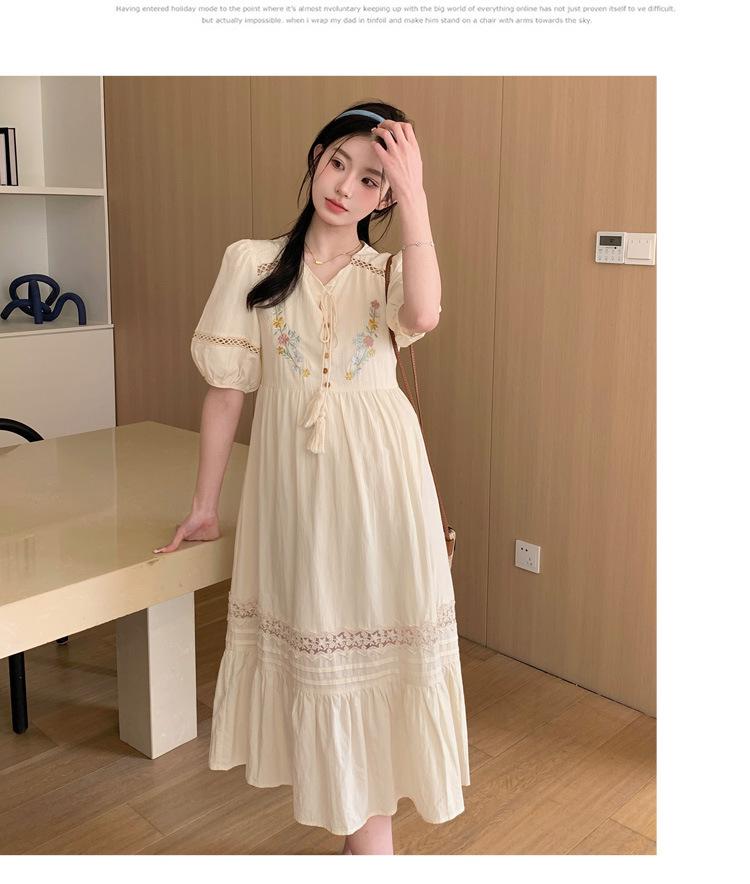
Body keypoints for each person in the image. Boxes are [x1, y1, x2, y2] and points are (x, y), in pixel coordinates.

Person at [154, 100, 470, 855]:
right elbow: (226, 392)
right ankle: (366, 840)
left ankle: (369, 842)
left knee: (376, 648)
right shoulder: (252, 263)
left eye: (371, 180)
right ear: (316, 159)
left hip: (383, 485)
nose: (345, 187)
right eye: (338, 164)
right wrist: (204, 504)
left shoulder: (389, 270)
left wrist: (417, 194)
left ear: (385, 198)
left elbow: (425, 311)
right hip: (296, 488)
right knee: (324, 641)